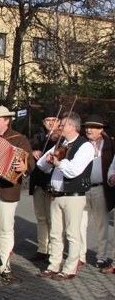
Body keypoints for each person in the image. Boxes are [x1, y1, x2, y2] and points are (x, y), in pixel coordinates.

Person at [36, 112, 93, 280]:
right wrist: (47, 159)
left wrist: (59, 162)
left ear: (72, 127)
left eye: (63, 124)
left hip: (73, 195)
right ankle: (53, 265)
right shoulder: (61, 144)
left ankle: (69, 268)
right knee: (55, 232)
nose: (59, 126)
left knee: (72, 234)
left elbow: (75, 170)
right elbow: (42, 167)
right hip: (56, 194)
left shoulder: (85, 146)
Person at [0, 106, 34, 280]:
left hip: (8, 190)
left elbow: (30, 162)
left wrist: (24, 167)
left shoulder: (19, 139)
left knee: (6, 229)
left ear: (7, 120)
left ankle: (5, 264)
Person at [80, 115, 114, 269]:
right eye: (87, 126)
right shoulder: (82, 144)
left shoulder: (110, 144)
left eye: (92, 127)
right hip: (83, 188)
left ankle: (102, 256)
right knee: (80, 223)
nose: (88, 129)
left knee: (102, 224)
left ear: (101, 129)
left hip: (101, 188)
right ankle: (80, 254)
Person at [28, 106, 61, 262]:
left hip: (53, 184)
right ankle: (42, 248)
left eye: (54, 120)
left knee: (53, 219)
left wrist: (55, 139)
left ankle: (54, 250)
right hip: (38, 183)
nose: (50, 123)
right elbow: (27, 151)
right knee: (41, 217)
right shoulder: (37, 137)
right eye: (48, 120)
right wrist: (32, 151)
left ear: (59, 122)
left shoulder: (61, 138)